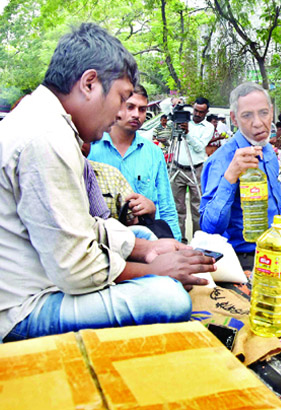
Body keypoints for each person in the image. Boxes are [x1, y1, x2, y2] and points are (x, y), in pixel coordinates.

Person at [0, 23, 214, 343]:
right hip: (24, 309)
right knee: (168, 297)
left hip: (49, 275)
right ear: (89, 83)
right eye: (121, 98)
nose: (118, 113)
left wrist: (149, 248)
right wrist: (156, 270)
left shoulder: (47, 122)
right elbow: (75, 269)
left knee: (141, 235)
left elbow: (82, 227)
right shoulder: (45, 138)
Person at [199, 83, 281, 269]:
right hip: (243, 260)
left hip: (277, 253)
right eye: (247, 115)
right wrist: (230, 177)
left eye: (263, 113)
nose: (257, 122)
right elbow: (209, 228)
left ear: (271, 111)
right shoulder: (221, 160)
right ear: (234, 119)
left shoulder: (268, 150)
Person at [88, 84, 182, 241]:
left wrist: (175, 244)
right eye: (129, 107)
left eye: (142, 109)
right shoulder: (90, 149)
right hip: (103, 245)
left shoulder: (154, 153)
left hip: (148, 244)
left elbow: (166, 207)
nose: (136, 114)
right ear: (115, 107)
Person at [172, 97, 214, 242]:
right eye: (196, 110)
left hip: (196, 169)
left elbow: (199, 147)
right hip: (177, 168)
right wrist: (176, 102)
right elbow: (164, 107)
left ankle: (197, 240)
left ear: (206, 112)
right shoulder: (183, 118)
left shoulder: (208, 127)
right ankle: (179, 240)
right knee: (178, 208)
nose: (197, 114)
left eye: (201, 112)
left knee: (197, 208)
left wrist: (188, 133)